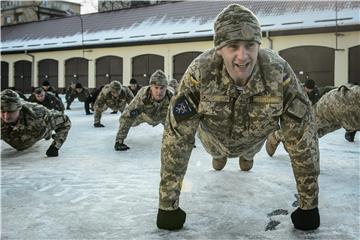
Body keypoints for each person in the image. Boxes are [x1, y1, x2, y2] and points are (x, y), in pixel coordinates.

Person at [156, 4, 320, 231]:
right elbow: (176, 138)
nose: (242, 56)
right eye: (233, 46)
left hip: (253, 142)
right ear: (219, 49)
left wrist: (309, 205)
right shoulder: (200, 72)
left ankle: (246, 158)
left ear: (259, 45)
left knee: (246, 160)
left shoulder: (277, 72)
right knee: (218, 158)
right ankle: (220, 159)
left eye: (250, 45)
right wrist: (167, 205)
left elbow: (302, 137)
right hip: (212, 140)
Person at [1, 89, 71, 157]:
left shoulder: (39, 116)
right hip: (15, 139)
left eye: (11, 111)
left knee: (44, 130)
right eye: (2, 112)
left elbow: (65, 121)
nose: (6, 116)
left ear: (19, 108)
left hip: (39, 131)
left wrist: (55, 146)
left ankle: (48, 134)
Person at [114, 70, 172, 150]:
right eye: (156, 88)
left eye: (162, 88)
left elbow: (181, 120)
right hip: (144, 115)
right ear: (151, 87)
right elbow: (126, 116)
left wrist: (183, 141)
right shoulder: (143, 95)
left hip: (163, 117)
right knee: (131, 121)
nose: (159, 92)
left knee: (173, 121)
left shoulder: (172, 97)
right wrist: (119, 141)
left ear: (166, 87)